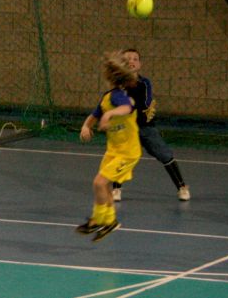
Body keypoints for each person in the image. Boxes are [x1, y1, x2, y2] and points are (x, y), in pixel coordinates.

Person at [111, 48, 190, 202]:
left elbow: (145, 102)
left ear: (140, 64)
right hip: (127, 128)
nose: (131, 62)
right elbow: (116, 102)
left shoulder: (145, 83)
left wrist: (131, 106)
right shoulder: (118, 84)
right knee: (123, 156)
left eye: (135, 59)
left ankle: (182, 187)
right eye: (127, 59)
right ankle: (116, 189)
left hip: (146, 127)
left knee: (165, 155)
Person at [77, 51, 140, 242]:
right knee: (105, 186)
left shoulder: (119, 97)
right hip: (114, 150)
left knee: (99, 182)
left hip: (128, 153)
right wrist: (86, 126)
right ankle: (109, 220)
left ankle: (99, 219)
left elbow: (127, 108)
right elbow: (94, 115)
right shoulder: (107, 98)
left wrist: (109, 115)